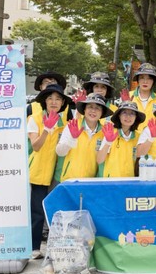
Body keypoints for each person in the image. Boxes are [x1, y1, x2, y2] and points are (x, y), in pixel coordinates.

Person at [27, 83, 72, 258]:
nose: (54, 102)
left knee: (56, 211)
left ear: (63, 103)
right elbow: (36, 146)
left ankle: (57, 248)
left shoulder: (65, 123)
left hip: (57, 172)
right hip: (38, 171)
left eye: (58, 99)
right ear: (44, 101)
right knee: (37, 211)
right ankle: (35, 247)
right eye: (50, 98)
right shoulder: (35, 119)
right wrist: (46, 129)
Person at [56, 93, 111, 181]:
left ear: (102, 113)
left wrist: (108, 142)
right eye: (90, 107)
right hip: (68, 180)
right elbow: (60, 152)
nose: (93, 111)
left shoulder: (105, 132)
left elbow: (101, 160)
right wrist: (72, 139)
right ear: (84, 109)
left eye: (97, 108)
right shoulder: (73, 125)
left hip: (89, 182)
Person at [97, 101, 145, 177]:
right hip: (110, 180)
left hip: (130, 180)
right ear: (119, 115)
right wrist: (108, 142)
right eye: (124, 113)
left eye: (132, 113)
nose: (128, 116)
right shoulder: (110, 132)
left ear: (136, 117)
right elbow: (99, 160)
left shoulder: (139, 136)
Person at [125, 63, 156, 127]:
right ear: (138, 80)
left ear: (153, 81)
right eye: (142, 78)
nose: (145, 82)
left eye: (149, 78)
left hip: (152, 133)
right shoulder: (128, 96)